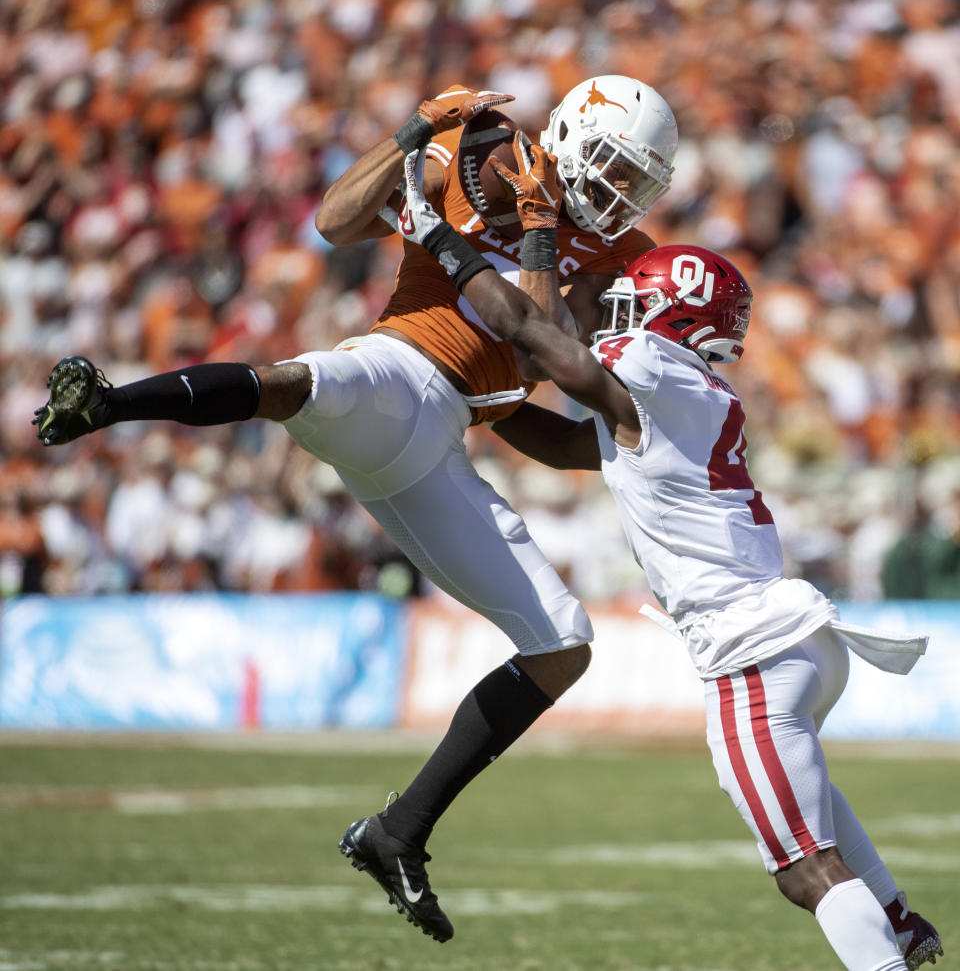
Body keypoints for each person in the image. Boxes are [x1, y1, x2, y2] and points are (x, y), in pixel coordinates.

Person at [32, 76, 679, 943]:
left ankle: (397, 832)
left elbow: (547, 349)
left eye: (631, 181)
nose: (612, 194)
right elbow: (335, 222)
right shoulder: (487, 155)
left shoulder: (608, 252)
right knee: (311, 382)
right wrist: (413, 131)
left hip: (440, 444)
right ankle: (109, 405)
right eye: (605, 167)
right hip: (398, 371)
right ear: (566, 134)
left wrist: (536, 240)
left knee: (563, 643)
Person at [390, 148, 944, 969]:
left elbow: (538, 341)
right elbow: (567, 444)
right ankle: (897, 919)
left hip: (750, 650)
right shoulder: (690, 393)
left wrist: (447, 244)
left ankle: (885, 950)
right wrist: (468, 399)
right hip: (796, 641)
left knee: (803, 868)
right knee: (810, 808)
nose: (612, 313)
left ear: (670, 313)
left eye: (631, 301)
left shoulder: (651, 366)